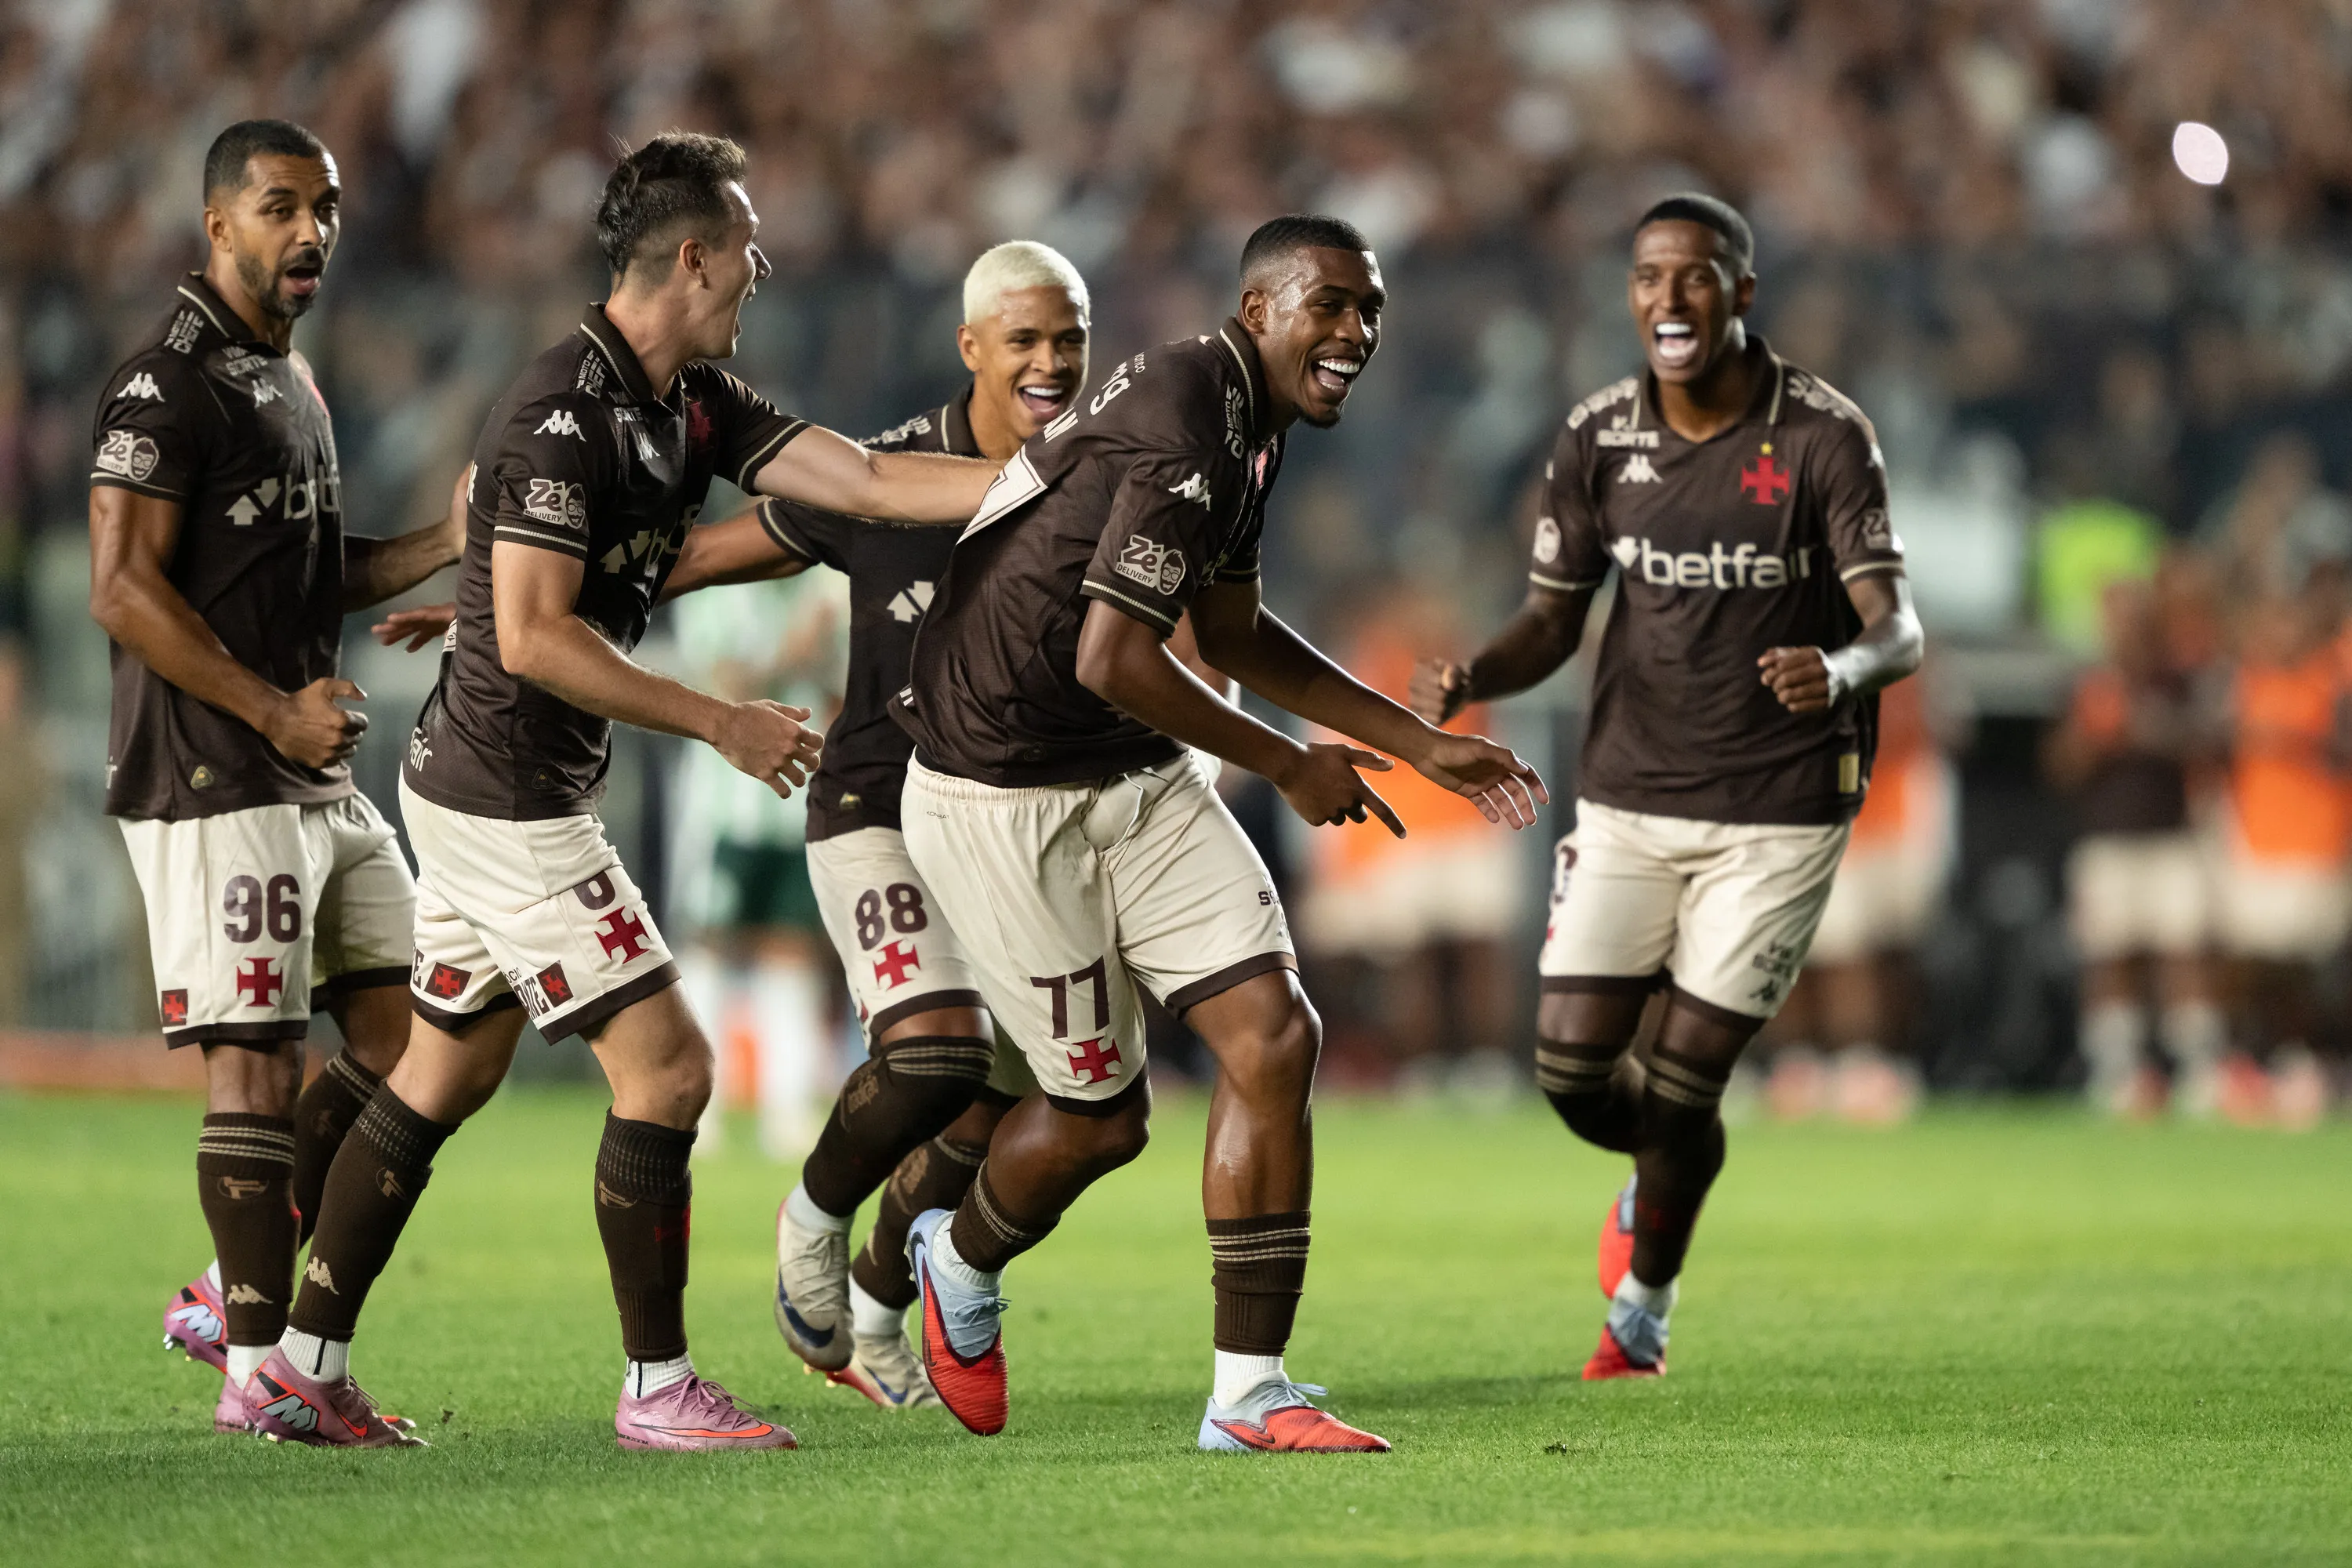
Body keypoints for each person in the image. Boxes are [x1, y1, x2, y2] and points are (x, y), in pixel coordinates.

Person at [245, 132, 1000, 1452]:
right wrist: (720, 720)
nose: (763, 267)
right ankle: (657, 1388)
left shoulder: (690, 400)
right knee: (670, 1072)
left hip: (494, 780)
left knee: (442, 1071)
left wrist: (1044, 477)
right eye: (748, 246)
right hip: (511, 799)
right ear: (694, 258)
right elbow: (538, 638)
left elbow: (868, 482)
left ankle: (301, 1367)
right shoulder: (561, 415)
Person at [887, 214, 1546, 1452]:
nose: (1356, 331)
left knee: (1275, 1034)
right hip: (1001, 792)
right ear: (1259, 311)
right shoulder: (1192, 414)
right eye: (1329, 305)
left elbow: (1231, 634)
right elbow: (1113, 653)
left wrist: (1420, 744)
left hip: (1131, 772)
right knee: (1103, 1118)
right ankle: (958, 1258)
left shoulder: (1249, 421)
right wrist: (1287, 763)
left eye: (1370, 310)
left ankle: (1248, 1395)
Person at [668, 239, 1231, 1412]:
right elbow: (707, 555)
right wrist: (514, 579)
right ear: (971, 346)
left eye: (1069, 339)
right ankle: (812, 1214)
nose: (1049, 362)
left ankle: (884, 1299)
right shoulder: (885, 474)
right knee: (934, 1051)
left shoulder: (1106, 474)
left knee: (1013, 1102)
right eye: (1023, 340)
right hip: (878, 808)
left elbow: (1173, 637)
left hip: (1023, 826)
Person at [1411, 194, 1922, 1380]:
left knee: (1687, 1075)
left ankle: (1643, 1303)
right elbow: (1553, 618)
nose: (1669, 296)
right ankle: (1667, 1173)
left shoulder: (1823, 436)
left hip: (1781, 805)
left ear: (1741, 292)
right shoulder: (1597, 436)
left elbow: (1899, 630)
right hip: (1633, 794)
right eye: (1649, 276)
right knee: (1570, 1070)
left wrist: (1840, 666)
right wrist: (1479, 673)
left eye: (1696, 275)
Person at [85, 120, 461, 1436]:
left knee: (423, 1035)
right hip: (213, 768)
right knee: (253, 1065)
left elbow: (309, 572)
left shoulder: (288, 376)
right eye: (282, 207)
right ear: (218, 226)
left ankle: (223, 1290)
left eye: (328, 208)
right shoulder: (165, 385)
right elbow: (119, 588)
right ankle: (263, 1374)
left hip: (307, 765)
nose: (313, 231)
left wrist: (445, 542)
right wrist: (267, 710)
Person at [2045, 575, 2226, 1117]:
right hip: (2107, 842)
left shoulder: (2178, 678)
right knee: (2109, 958)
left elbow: (2209, 743)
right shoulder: (2086, 683)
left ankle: (2199, 1069)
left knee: (2184, 952)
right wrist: (2092, 736)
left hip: (2172, 840)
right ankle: (2117, 1070)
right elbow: (2059, 767)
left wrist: (2147, 728)